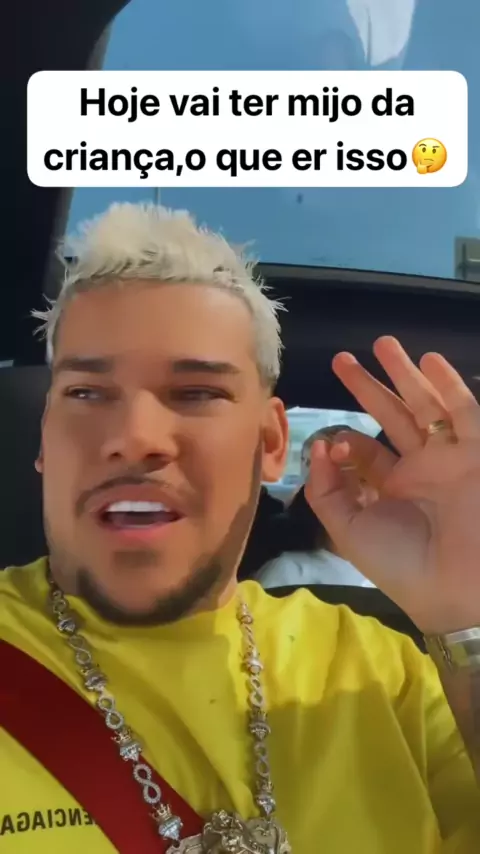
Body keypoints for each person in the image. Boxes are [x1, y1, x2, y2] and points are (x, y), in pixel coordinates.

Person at [1, 202, 480, 853]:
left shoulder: (384, 670)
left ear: (272, 442)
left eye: (196, 393)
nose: (135, 438)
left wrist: (464, 614)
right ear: (44, 441)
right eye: (86, 393)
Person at [257, 426, 377, 588]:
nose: (359, 494)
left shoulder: (396, 567)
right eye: (306, 461)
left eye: (363, 480)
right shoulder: (290, 572)